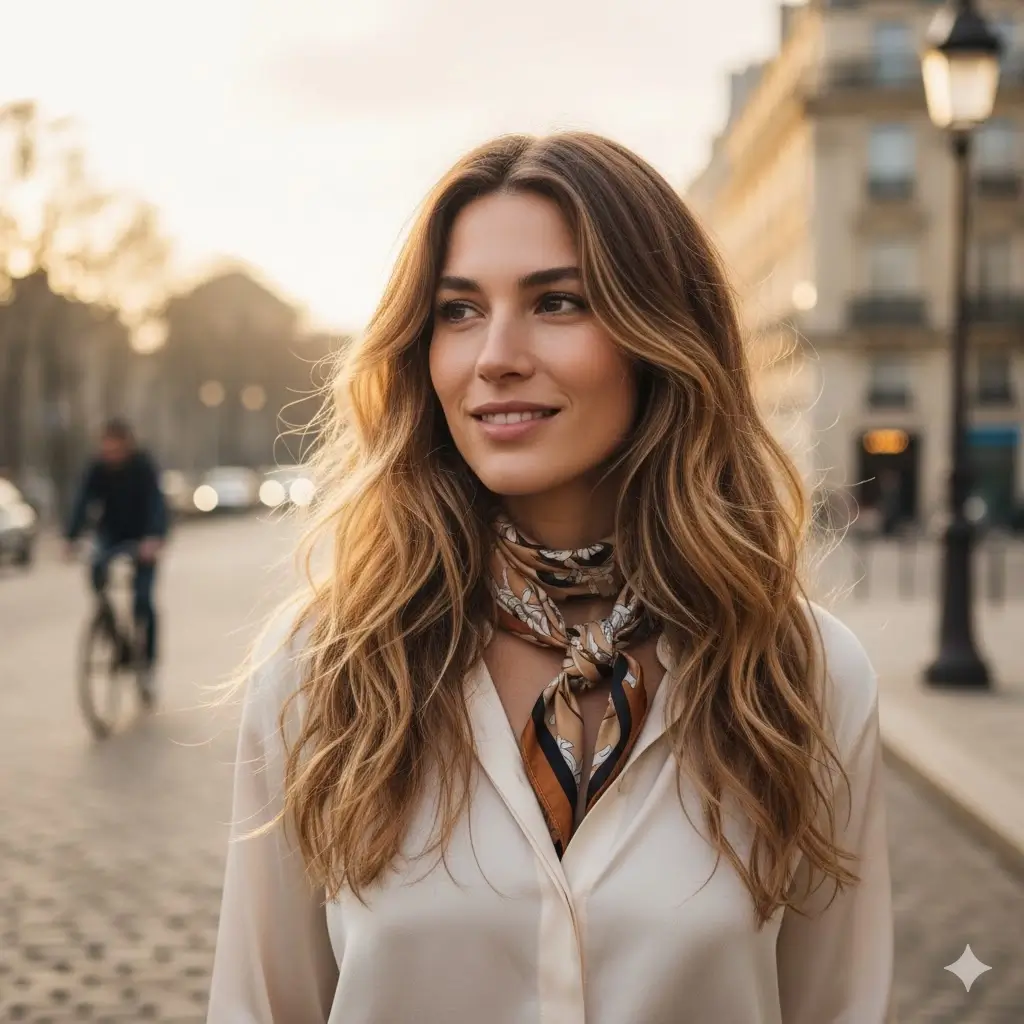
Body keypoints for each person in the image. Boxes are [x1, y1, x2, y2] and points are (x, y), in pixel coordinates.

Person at [208, 133, 894, 1023]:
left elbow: (839, 1006)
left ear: (661, 339)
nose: (494, 355)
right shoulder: (322, 668)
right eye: (458, 310)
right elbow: (260, 1007)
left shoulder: (805, 676)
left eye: (557, 302)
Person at [66, 419, 167, 686]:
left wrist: (154, 537)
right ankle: (115, 636)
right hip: (111, 536)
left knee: (143, 600)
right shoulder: (97, 468)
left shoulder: (143, 466)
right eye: (106, 449)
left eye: (116, 449)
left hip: (143, 538)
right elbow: (82, 502)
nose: (111, 455)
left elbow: (157, 503)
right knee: (97, 576)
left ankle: (147, 662)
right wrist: (70, 537)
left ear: (127, 445)